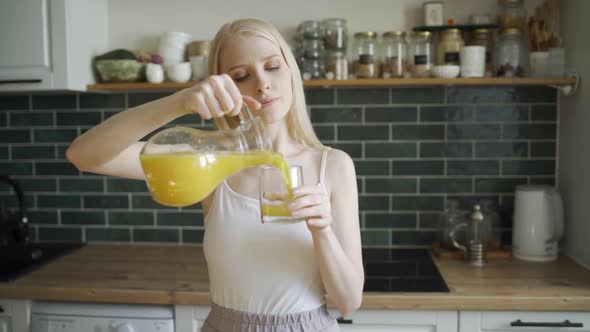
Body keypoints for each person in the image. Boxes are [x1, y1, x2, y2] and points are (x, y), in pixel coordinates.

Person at [67, 18, 363, 332]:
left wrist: (322, 230)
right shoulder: (209, 159)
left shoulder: (332, 166)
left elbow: (348, 301)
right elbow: (84, 156)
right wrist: (180, 102)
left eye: (273, 66)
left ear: (291, 71)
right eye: (241, 75)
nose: (262, 84)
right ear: (225, 88)